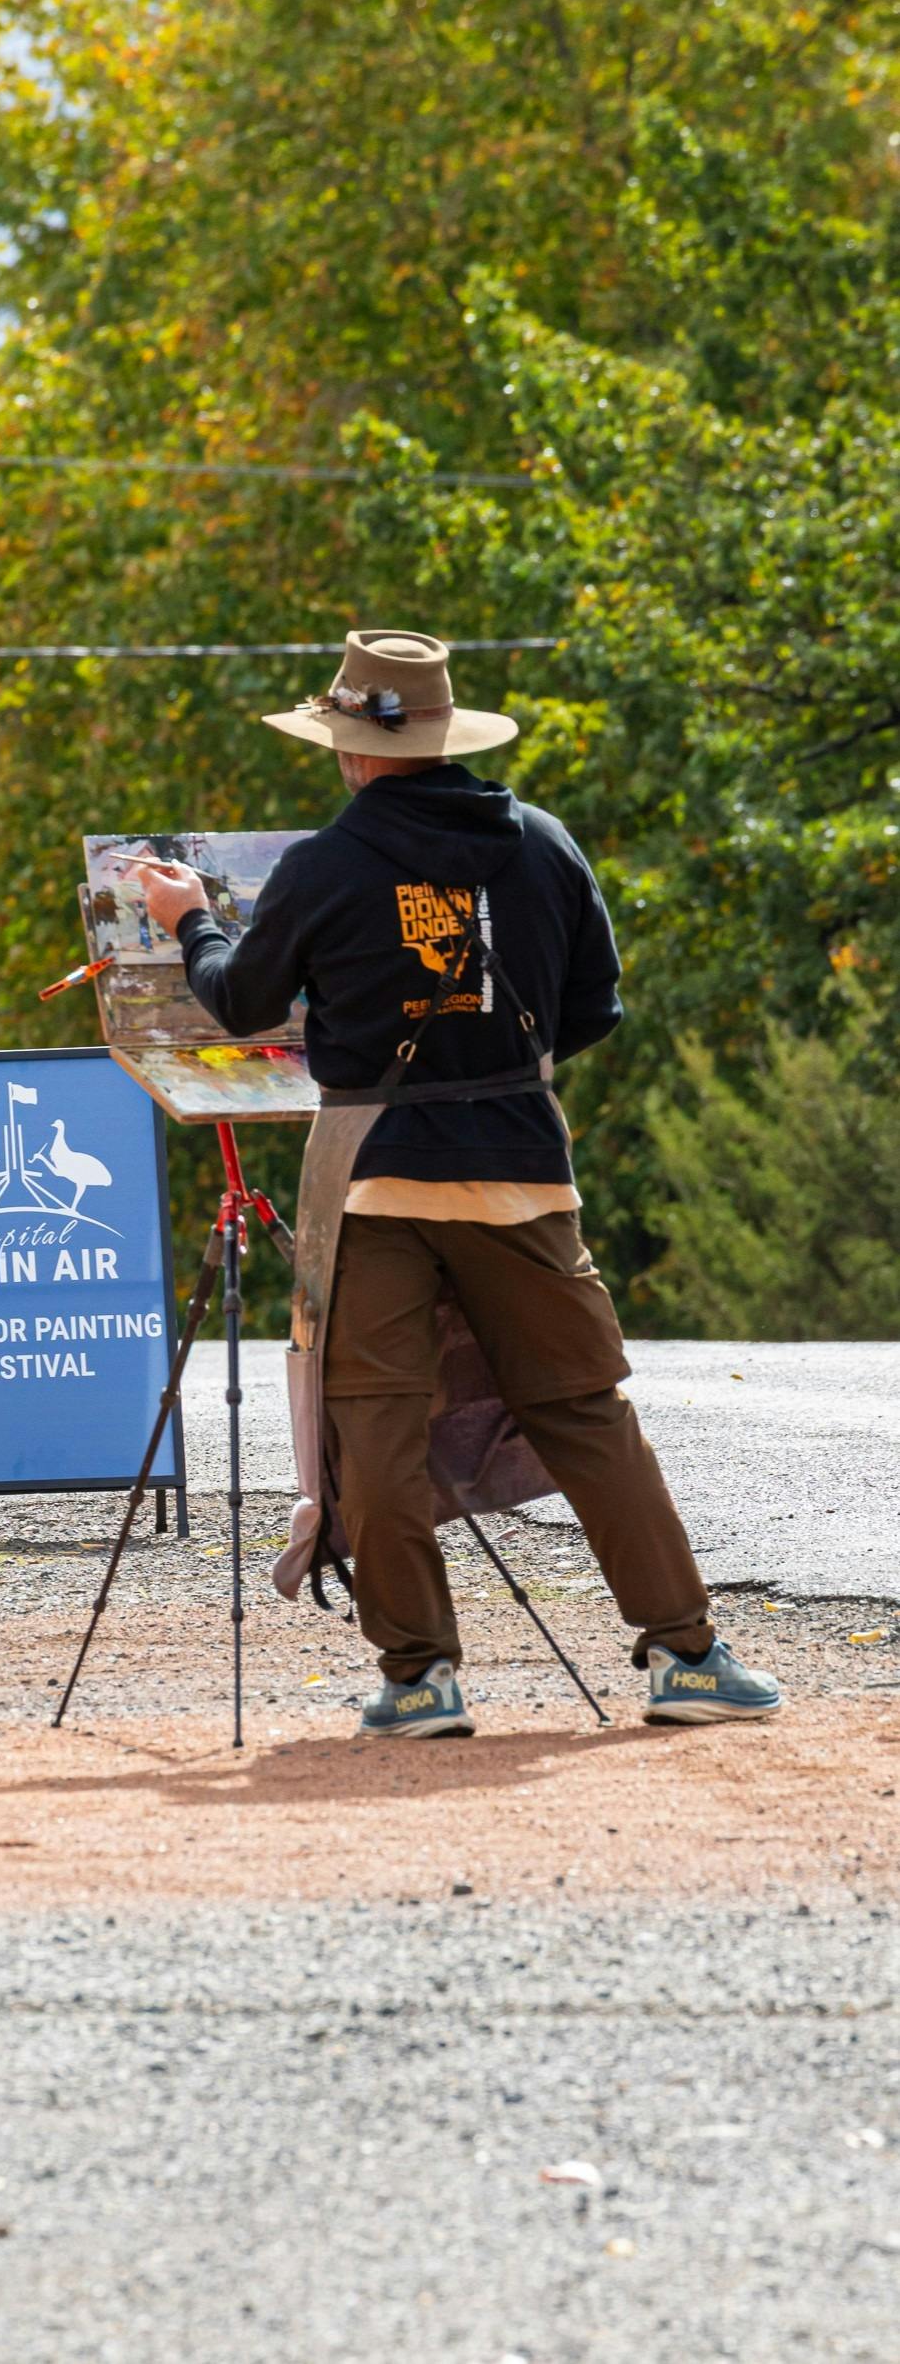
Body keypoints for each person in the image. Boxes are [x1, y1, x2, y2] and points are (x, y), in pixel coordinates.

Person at [132, 628, 782, 1738]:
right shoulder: (543, 842)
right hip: (523, 1171)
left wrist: (188, 918)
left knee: (373, 1427)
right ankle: (685, 1653)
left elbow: (238, 1002)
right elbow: (594, 1011)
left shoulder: (324, 866)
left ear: (348, 750)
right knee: (585, 1414)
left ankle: (420, 1676)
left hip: (376, 1184)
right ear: (444, 734)